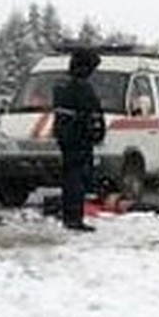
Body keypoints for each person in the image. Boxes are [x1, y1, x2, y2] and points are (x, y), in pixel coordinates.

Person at [52, 47, 106, 231]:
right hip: (79, 137)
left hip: (66, 135)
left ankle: (70, 214)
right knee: (76, 178)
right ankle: (74, 217)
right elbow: (91, 112)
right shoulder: (81, 87)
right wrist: (96, 131)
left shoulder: (61, 84)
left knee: (70, 176)